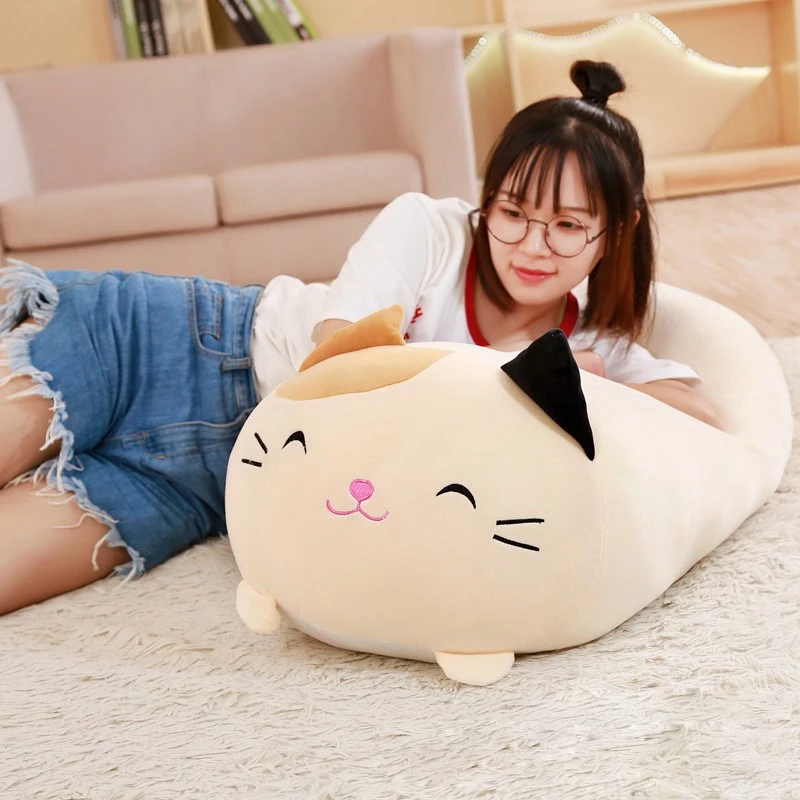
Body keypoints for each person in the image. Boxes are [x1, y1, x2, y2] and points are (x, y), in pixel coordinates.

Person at [0, 60, 721, 615]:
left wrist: (584, 374)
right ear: (487, 200)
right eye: (512, 213)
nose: (532, 246)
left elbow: (705, 419)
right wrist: (516, 376)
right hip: (168, 346)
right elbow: (339, 364)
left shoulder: (591, 342)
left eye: (567, 226)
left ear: (616, 231)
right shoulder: (429, 229)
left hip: (218, 479)